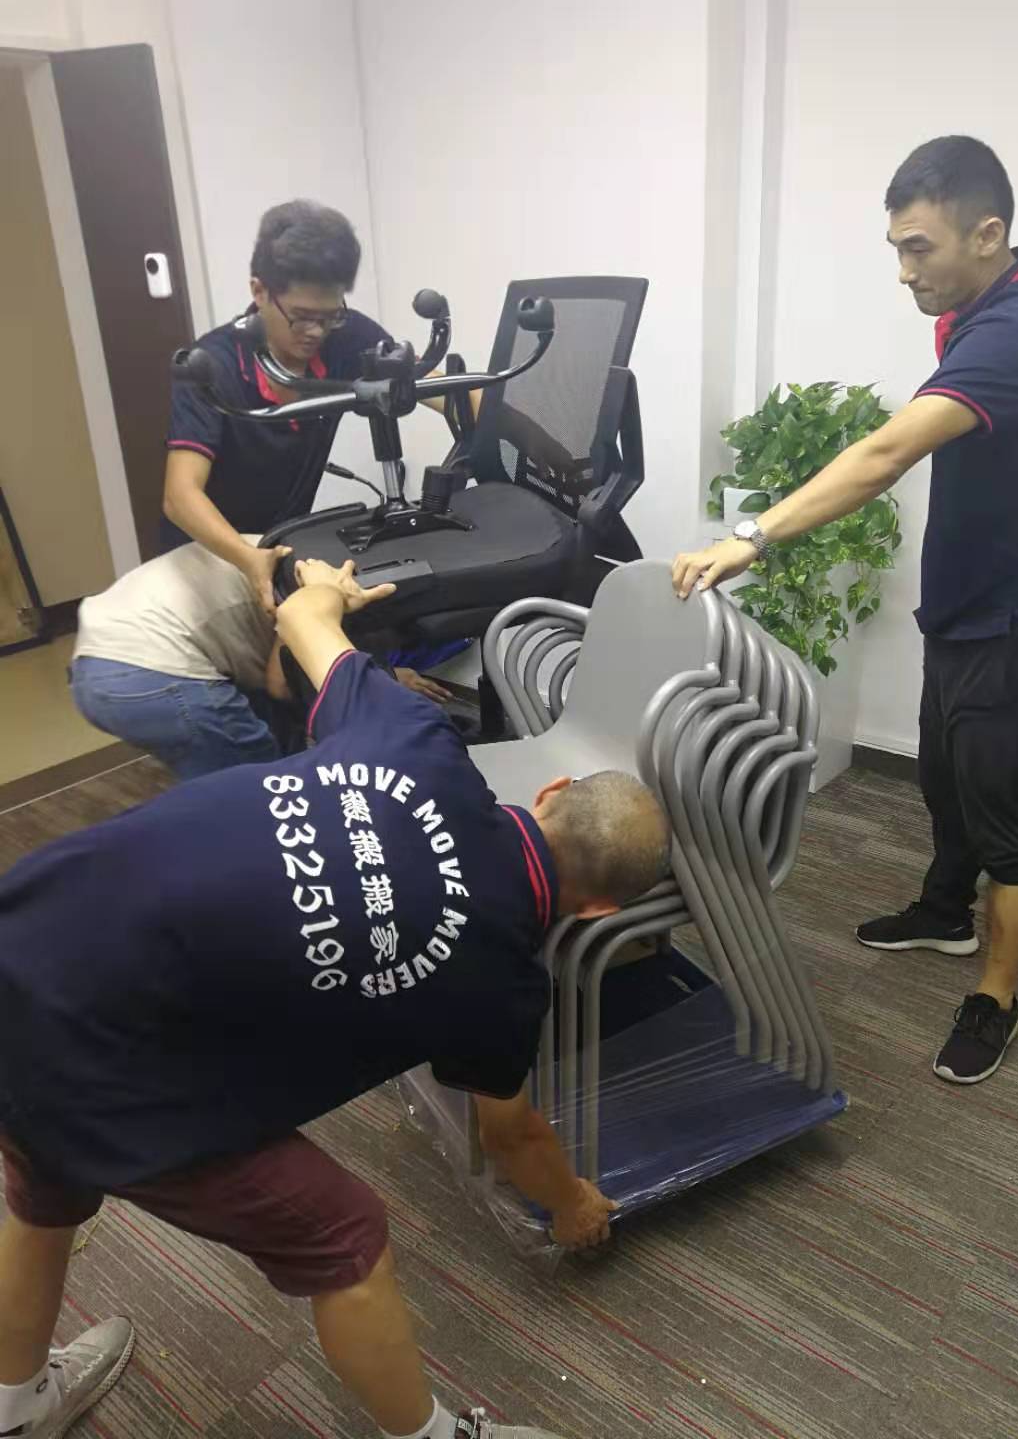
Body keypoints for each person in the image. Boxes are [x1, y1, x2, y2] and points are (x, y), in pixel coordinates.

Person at [0, 558, 671, 1439]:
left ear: (546, 793)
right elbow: (513, 1134)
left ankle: (14, 1407)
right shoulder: (504, 983)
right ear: (600, 908)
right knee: (345, 1235)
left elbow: (308, 621)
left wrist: (330, 585)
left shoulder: (415, 738)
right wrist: (575, 1202)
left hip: (31, 926)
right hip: (101, 1051)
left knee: (48, 1170)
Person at [673, 135, 1018, 1086]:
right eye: (896, 249)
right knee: (945, 777)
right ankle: (944, 912)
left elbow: (887, 453)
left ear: (989, 235)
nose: (903, 273)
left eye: (918, 249)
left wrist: (753, 537)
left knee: (1008, 816)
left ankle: (997, 995)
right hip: (967, 602)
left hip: (1017, 622)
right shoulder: (983, 307)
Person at [161, 199, 392, 614]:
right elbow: (180, 496)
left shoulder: (348, 334)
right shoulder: (212, 364)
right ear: (259, 291)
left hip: (282, 547)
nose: (316, 332)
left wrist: (503, 435)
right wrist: (250, 559)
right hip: (211, 554)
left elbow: (437, 388)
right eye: (301, 316)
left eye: (329, 316)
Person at [69, 539, 452, 780]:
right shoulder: (310, 587)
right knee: (269, 791)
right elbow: (280, 684)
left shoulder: (297, 549)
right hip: (152, 673)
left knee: (222, 781)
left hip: (94, 665)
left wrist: (381, 671)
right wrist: (378, 681)